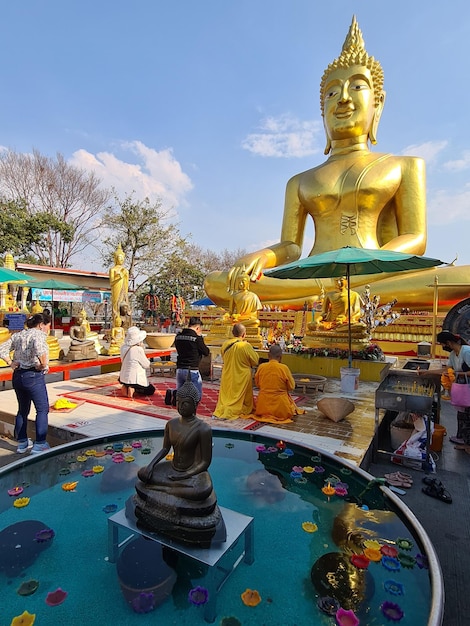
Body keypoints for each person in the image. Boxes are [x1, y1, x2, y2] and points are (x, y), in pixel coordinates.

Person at [204, 17, 470, 311]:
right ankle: (339, 300)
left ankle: (326, 301)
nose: (342, 99)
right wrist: (258, 258)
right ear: (323, 113)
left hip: (377, 273)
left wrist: (370, 264)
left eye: (357, 87)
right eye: (332, 92)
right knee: (217, 281)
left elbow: (415, 239)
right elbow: (291, 249)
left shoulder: (404, 165)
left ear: (377, 103)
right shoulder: (300, 180)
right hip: (311, 275)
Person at [134, 377, 225, 544]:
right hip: (173, 468)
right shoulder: (171, 424)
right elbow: (164, 449)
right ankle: (172, 488)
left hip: (194, 473)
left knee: (204, 490)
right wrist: (151, 466)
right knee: (141, 475)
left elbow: (205, 462)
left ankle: (164, 489)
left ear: (195, 404)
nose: (180, 406)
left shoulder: (203, 429)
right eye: (178, 402)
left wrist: (185, 475)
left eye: (185, 403)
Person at [0, 312, 52, 454]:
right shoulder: (38, 335)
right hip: (33, 376)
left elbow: (2, 349)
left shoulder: (19, 334)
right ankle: (40, 443)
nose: (48, 330)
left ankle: (22, 442)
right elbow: (40, 349)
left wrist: (11, 362)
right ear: (41, 325)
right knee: (42, 409)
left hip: (18, 376)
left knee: (23, 409)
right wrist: (43, 364)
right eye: (47, 326)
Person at [212, 323, 259, 420]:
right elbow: (255, 361)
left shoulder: (225, 344)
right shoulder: (245, 346)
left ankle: (224, 409)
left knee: (228, 394)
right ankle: (233, 410)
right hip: (241, 376)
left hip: (228, 373)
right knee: (238, 396)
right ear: (244, 334)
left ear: (232, 333)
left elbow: (224, 357)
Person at [250, 343, 304, 423]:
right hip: (281, 408)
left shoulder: (261, 367)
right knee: (290, 404)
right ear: (281, 357)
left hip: (263, 407)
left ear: (268, 355)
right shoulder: (284, 368)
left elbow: (257, 384)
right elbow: (291, 386)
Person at [436, 331, 470, 450]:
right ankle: (462, 437)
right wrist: (426, 372)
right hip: (462, 387)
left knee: (468, 414)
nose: (442, 347)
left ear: (449, 343)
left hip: (467, 387)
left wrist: (459, 374)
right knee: (462, 414)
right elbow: (446, 370)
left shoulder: (466, 351)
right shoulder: (452, 355)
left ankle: (468, 444)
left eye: (442, 344)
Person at [174, 317, 210, 400]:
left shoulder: (178, 336)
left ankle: (174, 396)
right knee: (197, 396)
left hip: (180, 368)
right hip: (192, 370)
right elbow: (206, 352)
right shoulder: (197, 339)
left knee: (180, 395)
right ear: (198, 328)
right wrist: (200, 338)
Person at [119, 326, 155, 399]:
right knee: (151, 390)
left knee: (128, 380)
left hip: (123, 377)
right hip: (135, 379)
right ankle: (133, 389)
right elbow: (146, 364)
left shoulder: (123, 347)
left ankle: (126, 386)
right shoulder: (137, 349)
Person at [109, 243, 130, 326]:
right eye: (119, 258)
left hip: (123, 289)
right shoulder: (112, 269)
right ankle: (115, 322)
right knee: (116, 305)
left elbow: (126, 283)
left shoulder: (125, 270)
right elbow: (111, 282)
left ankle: (124, 324)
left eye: (122, 258)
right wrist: (119, 277)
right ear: (116, 258)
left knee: (123, 305)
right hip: (116, 288)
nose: (121, 260)